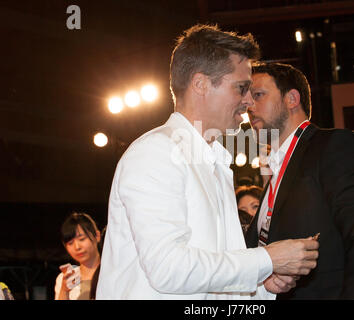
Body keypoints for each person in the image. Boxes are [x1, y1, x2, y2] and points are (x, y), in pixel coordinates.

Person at [96, 24, 319, 300]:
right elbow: (168, 269)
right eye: (241, 88)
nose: (249, 101)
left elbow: (212, 283)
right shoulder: (156, 152)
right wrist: (266, 260)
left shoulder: (216, 162)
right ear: (200, 84)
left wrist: (262, 285)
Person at [245, 62, 354, 299]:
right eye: (248, 98)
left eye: (258, 95)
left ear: (292, 99)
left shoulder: (334, 145)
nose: (249, 105)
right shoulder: (277, 169)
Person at [54, 212, 101, 300]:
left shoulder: (113, 272)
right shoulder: (64, 279)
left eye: (82, 239)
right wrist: (64, 291)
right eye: (70, 243)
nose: (77, 247)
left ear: (97, 236)